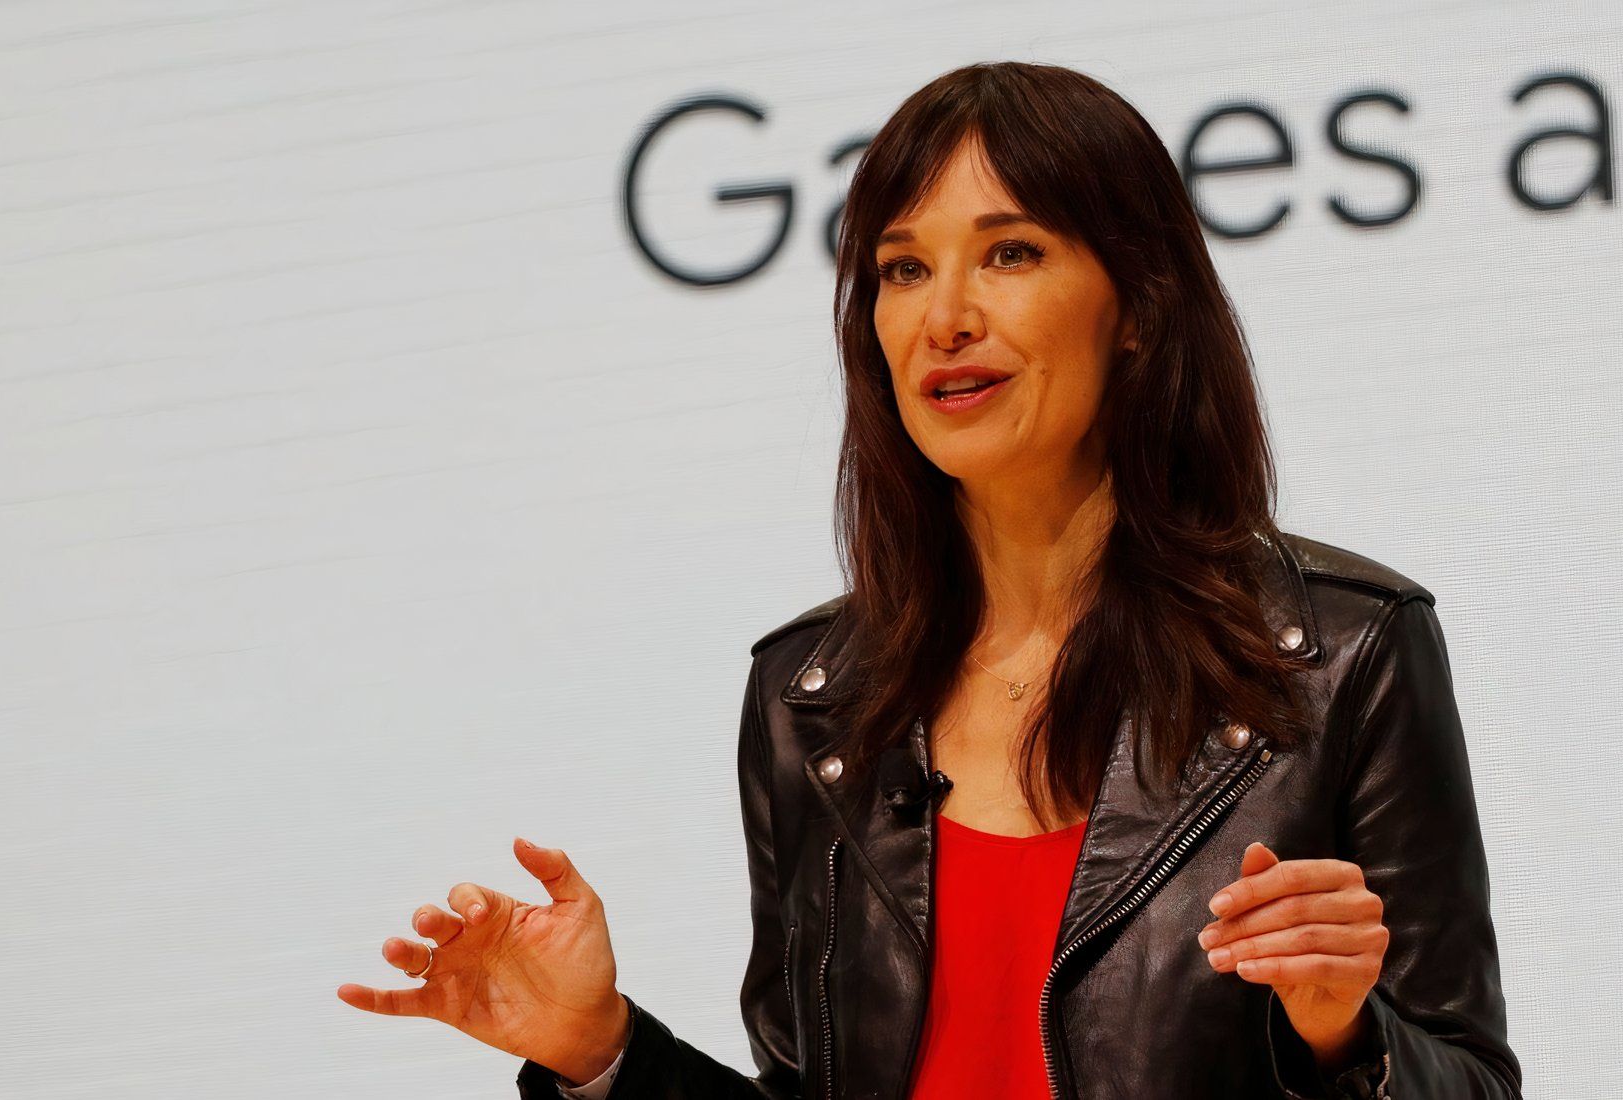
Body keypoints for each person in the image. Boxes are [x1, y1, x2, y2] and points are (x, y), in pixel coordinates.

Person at [337, 61, 1524, 1100]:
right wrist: (599, 1051)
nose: (944, 317)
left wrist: (1343, 1035)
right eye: (902, 269)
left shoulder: (1339, 656)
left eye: (1010, 252)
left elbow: (1470, 1079)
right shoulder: (814, 697)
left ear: (1137, 307)